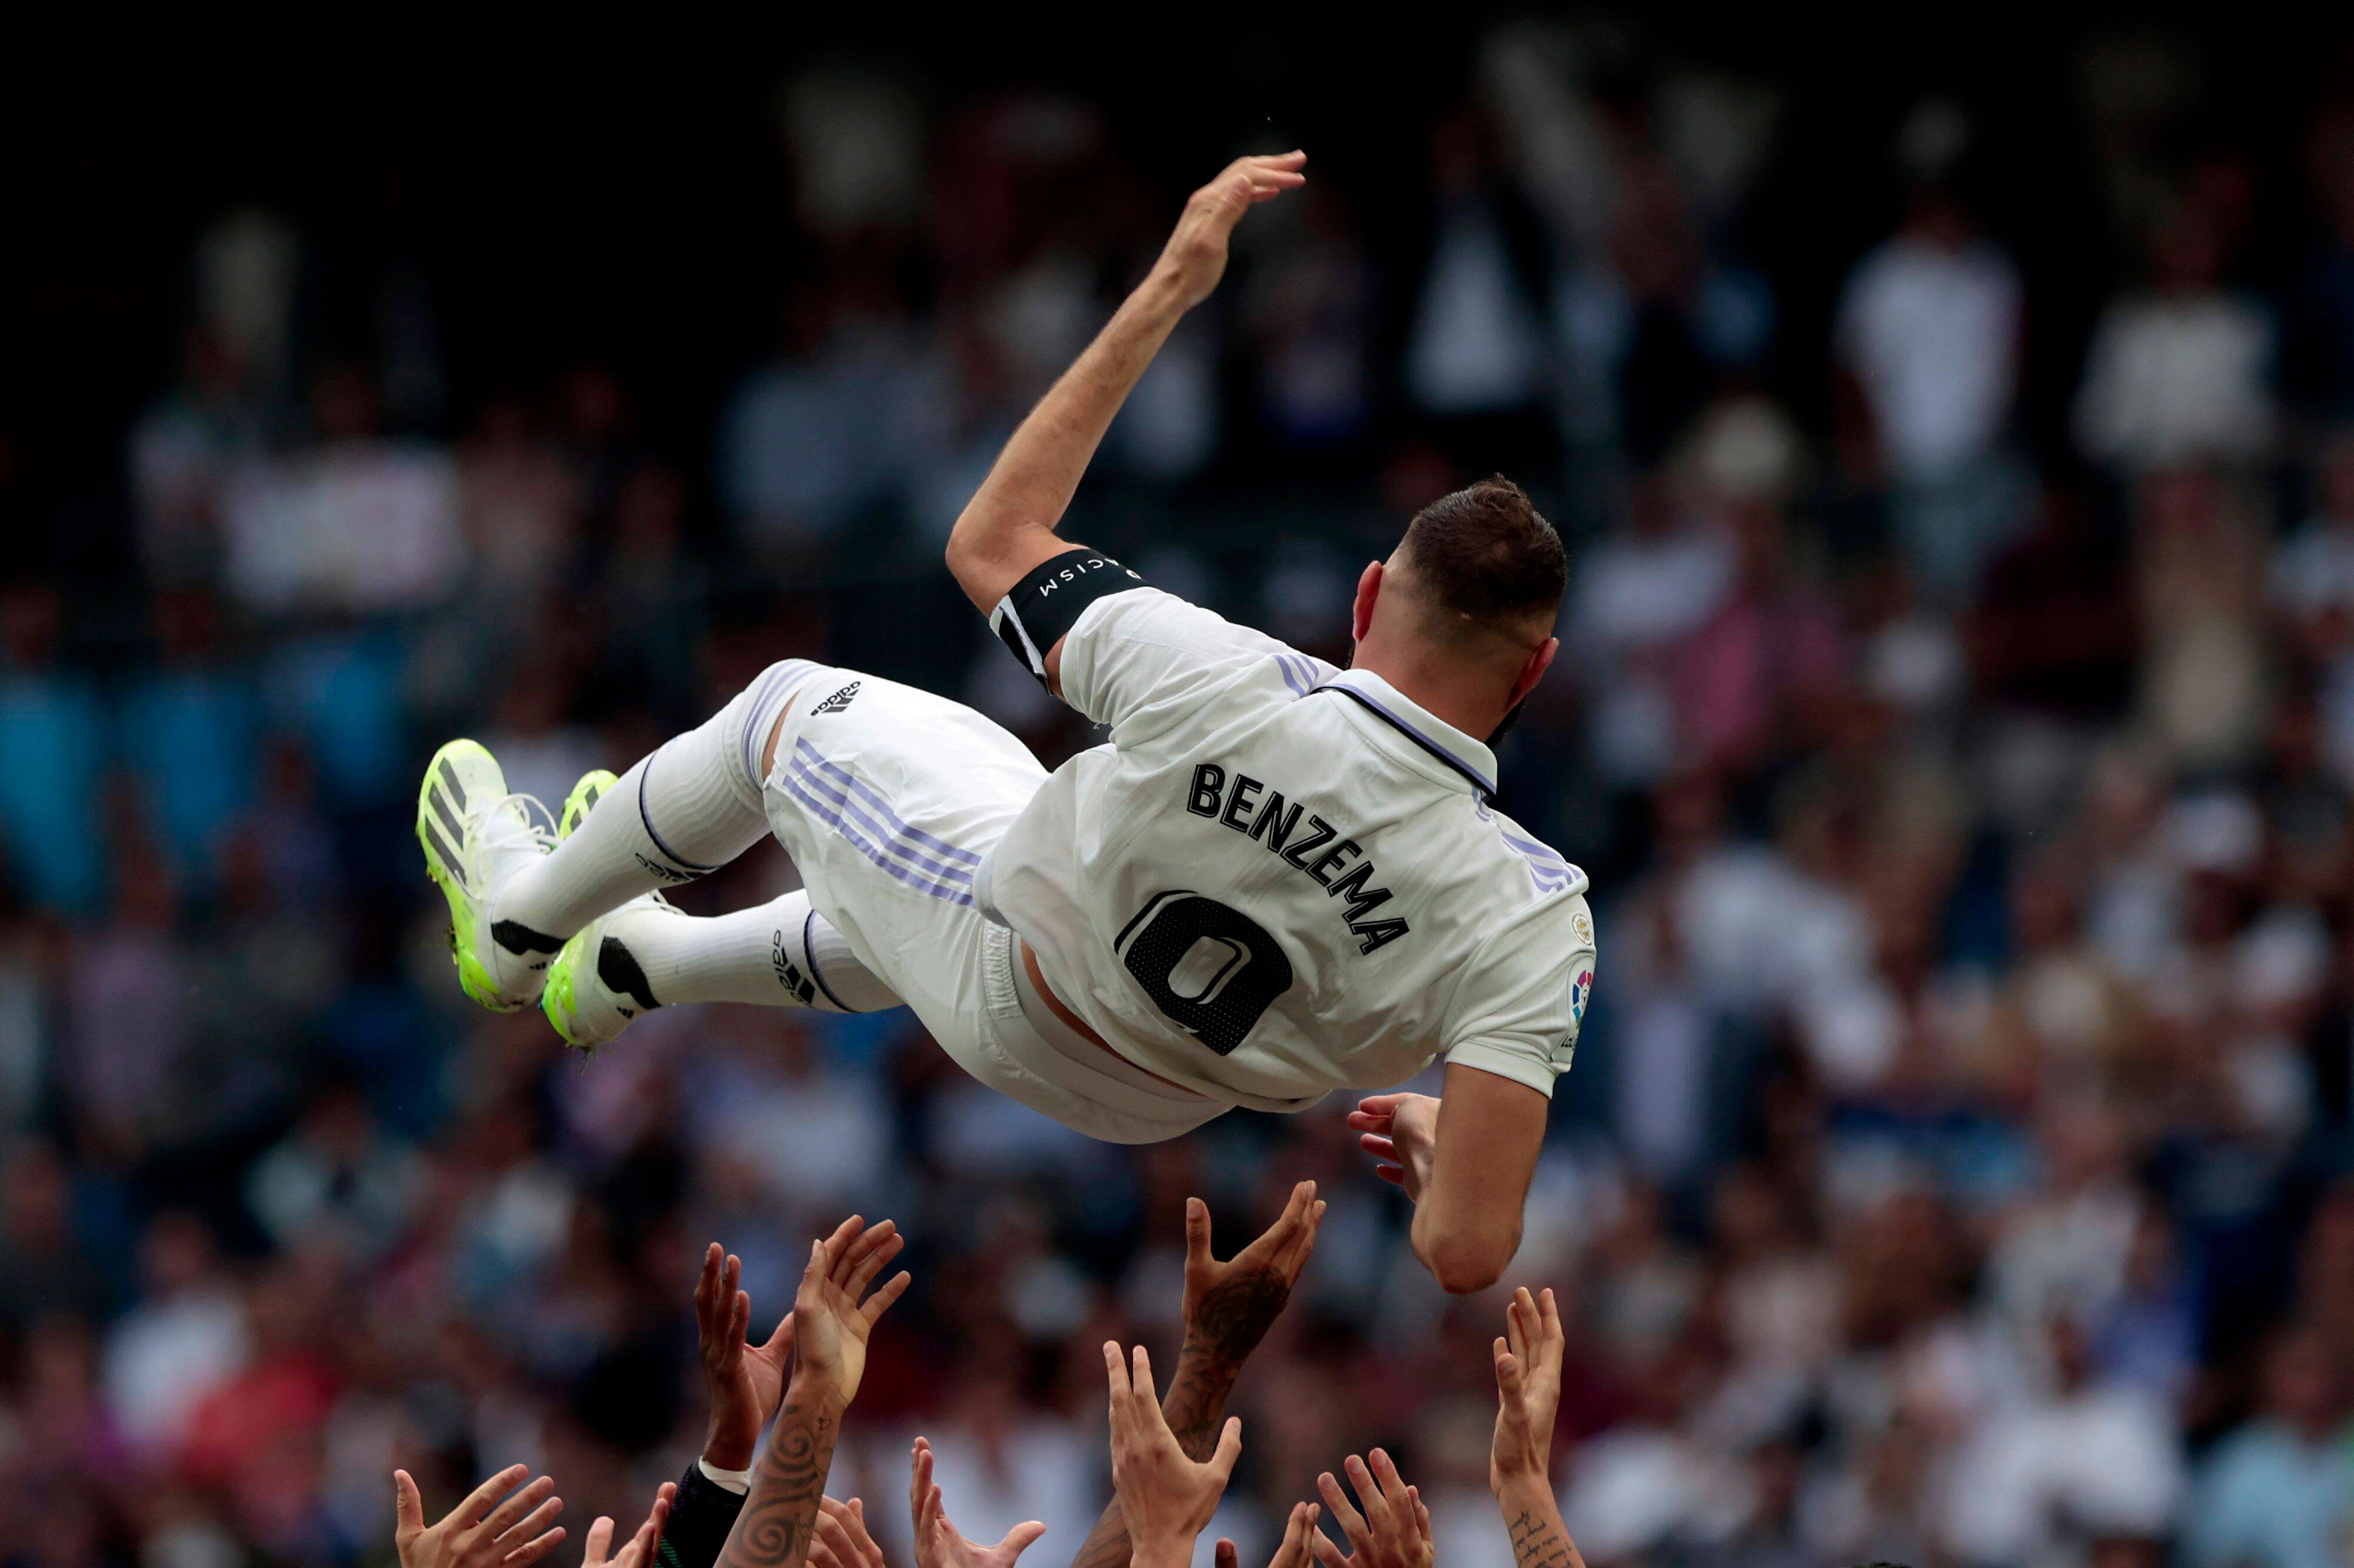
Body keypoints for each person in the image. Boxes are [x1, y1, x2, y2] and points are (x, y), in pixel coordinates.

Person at [416, 151, 1594, 1291]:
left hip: (1021, 988)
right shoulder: (1538, 912)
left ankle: (520, 926)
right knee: (988, 805)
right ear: (1534, 672)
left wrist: (1167, 290)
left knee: (784, 712)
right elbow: (1464, 1252)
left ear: (1368, 599)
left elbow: (990, 539)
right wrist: (1439, 1155)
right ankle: (642, 962)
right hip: (1164, 1106)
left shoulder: (1229, 677)